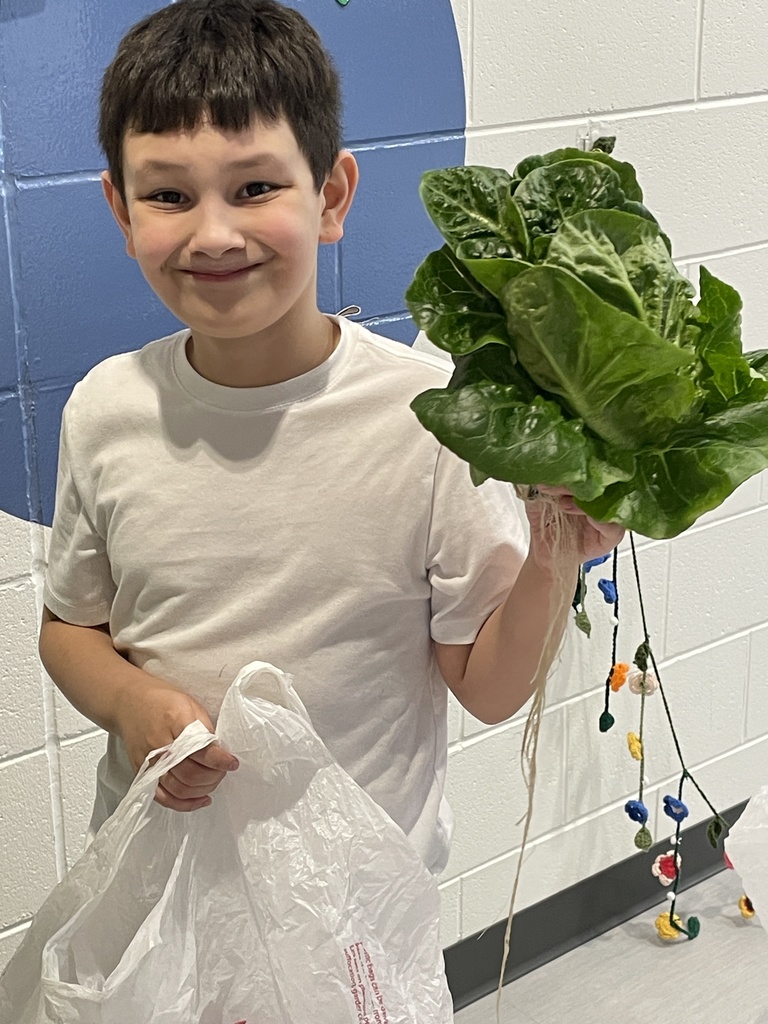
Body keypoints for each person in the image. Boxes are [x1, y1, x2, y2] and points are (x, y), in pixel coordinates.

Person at [39, 0, 623, 878]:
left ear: (332, 195)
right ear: (122, 213)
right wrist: (130, 702)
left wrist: (556, 554)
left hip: (357, 920)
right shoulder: (104, 408)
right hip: (159, 895)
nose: (214, 233)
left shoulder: (431, 419)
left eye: (255, 187)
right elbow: (68, 627)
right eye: (167, 195)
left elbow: (491, 687)